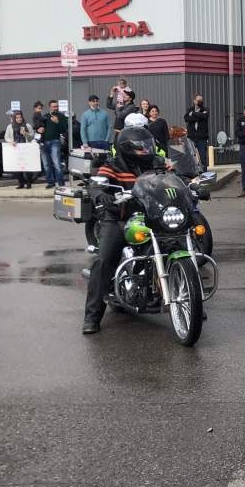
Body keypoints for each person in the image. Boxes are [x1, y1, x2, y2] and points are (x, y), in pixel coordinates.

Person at [81, 126, 166, 334]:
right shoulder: (113, 166)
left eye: (148, 146)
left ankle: (191, 299)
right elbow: (96, 184)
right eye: (141, 147)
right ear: (126, 148)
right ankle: (92, 316)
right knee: (104, 260)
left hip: (151, 217)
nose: (146, 150)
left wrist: (189, 184)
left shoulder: (156, 163)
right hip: (119, 218)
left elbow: (173, 180)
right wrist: (100, 194)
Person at [4, 110, 36, 189]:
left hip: (25, 148)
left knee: (27, 167)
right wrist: (11, 141)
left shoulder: (27, 125)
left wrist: (25, 133)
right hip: (15, 149)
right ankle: (21, 183)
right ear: (14, 118)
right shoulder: (10, 126)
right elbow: (6, 137)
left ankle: (29, 183)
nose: (19, 119)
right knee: (17, 168)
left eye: (20, 117)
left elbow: (32, 137)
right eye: (17, 117)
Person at [40, 99, 68, 189]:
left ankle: (60, 181)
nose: (55, 108)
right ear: (50, 107)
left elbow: (64, 130)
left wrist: (57, 122)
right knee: (46, 164)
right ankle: (50, 182)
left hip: (55, 141)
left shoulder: (61, 116)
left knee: (56, 162)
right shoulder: (45, 116)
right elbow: (39, 128)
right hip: (44, 142)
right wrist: (38, 130)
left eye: (56, 106)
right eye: (53, 106)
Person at [184, 94, 210, 168]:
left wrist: (193, 114)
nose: (200, 101)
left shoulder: (205, 109)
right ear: (194, 101)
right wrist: (199, 116)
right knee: (191, 157)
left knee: (203, 158)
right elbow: (186, 118)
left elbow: (205, 116)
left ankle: (204, 174)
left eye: (201, 100)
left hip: (202, 138)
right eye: (198, 100)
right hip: (191, 137)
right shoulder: (190, 109)